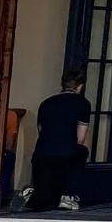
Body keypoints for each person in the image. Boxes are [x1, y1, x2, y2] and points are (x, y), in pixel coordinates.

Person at [27, 67, 91, 212]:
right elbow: (80, 138)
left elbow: (41, 131)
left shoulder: (46, 103)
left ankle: (37, 193)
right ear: (80, 86)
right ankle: (68, 196)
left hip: (42, 155)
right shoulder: (83, 103)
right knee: (81, 151)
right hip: (68, 155)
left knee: (42, 199)